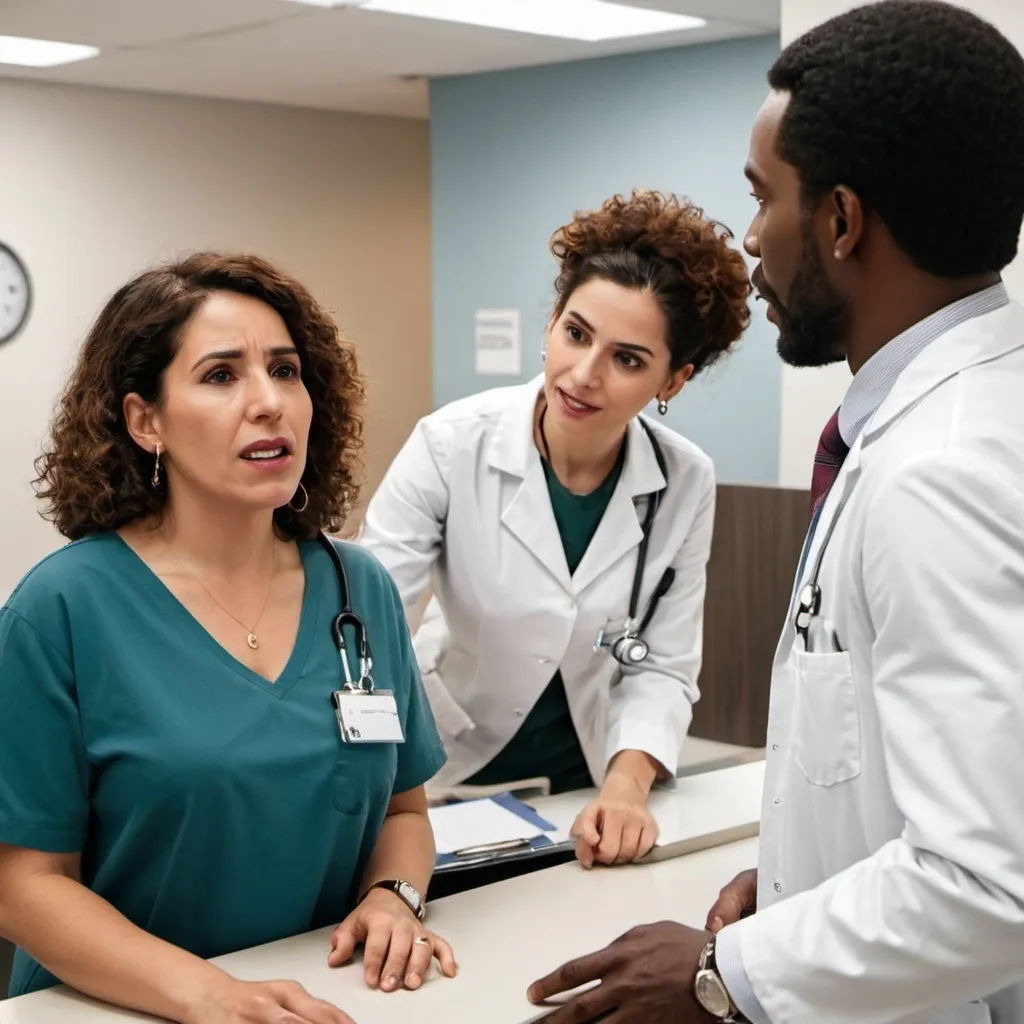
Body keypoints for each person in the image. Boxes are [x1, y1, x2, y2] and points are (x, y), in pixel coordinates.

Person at [526, 2, 1024, 1022]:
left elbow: (991, 882)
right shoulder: (948, 417)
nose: (750, 239)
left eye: (764, 199)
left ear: (840, 222)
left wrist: (724, 976)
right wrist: (804, 884)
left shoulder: (938, 473)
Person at [0, 253, 456, 1023]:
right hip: (117, 1009)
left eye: (285, 370)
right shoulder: (61, 609)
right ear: (146, 421)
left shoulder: (359, 589)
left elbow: (405, 814)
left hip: (322, 998)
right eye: (221, 375)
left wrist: (393, 897)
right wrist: (209, 995)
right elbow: (24, 884)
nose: (269, 402)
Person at [361, 190, 751, 868]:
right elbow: (368, 626)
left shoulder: (685, 480)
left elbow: (662, 665)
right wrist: (388, 790)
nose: (584, 374)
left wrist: (627, 788)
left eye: (628, 359)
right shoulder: (450, 445)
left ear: (675, 379)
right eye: (576, 334)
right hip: (443, 782)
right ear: (551, 322)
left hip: (588, 798)